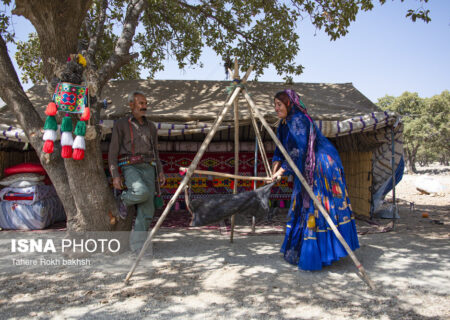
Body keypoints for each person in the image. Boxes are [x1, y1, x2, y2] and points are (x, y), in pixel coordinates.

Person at [271, 89, 359, 271]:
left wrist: (283, 170)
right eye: (275, 105)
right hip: (303, 165)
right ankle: (303, 248)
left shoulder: (299, 121)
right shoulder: (283, 124)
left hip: (320, 165)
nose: (276, 108)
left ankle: (324, 253)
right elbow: (280, 149)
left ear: (289, 103)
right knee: (302, 205)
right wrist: (274, 170)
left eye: (279, 104)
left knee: (316, 205)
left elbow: (300, 150)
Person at [108, 91, 165, 252]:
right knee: (141, 192)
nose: (144, 106)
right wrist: (115, 175)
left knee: (148, 211)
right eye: (141, 103)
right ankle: (124, 200)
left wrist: (160, 171)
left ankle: (137, 247)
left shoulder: (151, 126)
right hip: (130, 165)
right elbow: (113, 151)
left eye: (146, 103)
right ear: (131, 105)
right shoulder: (121, 124)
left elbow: (155, 152)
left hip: (149, 167)